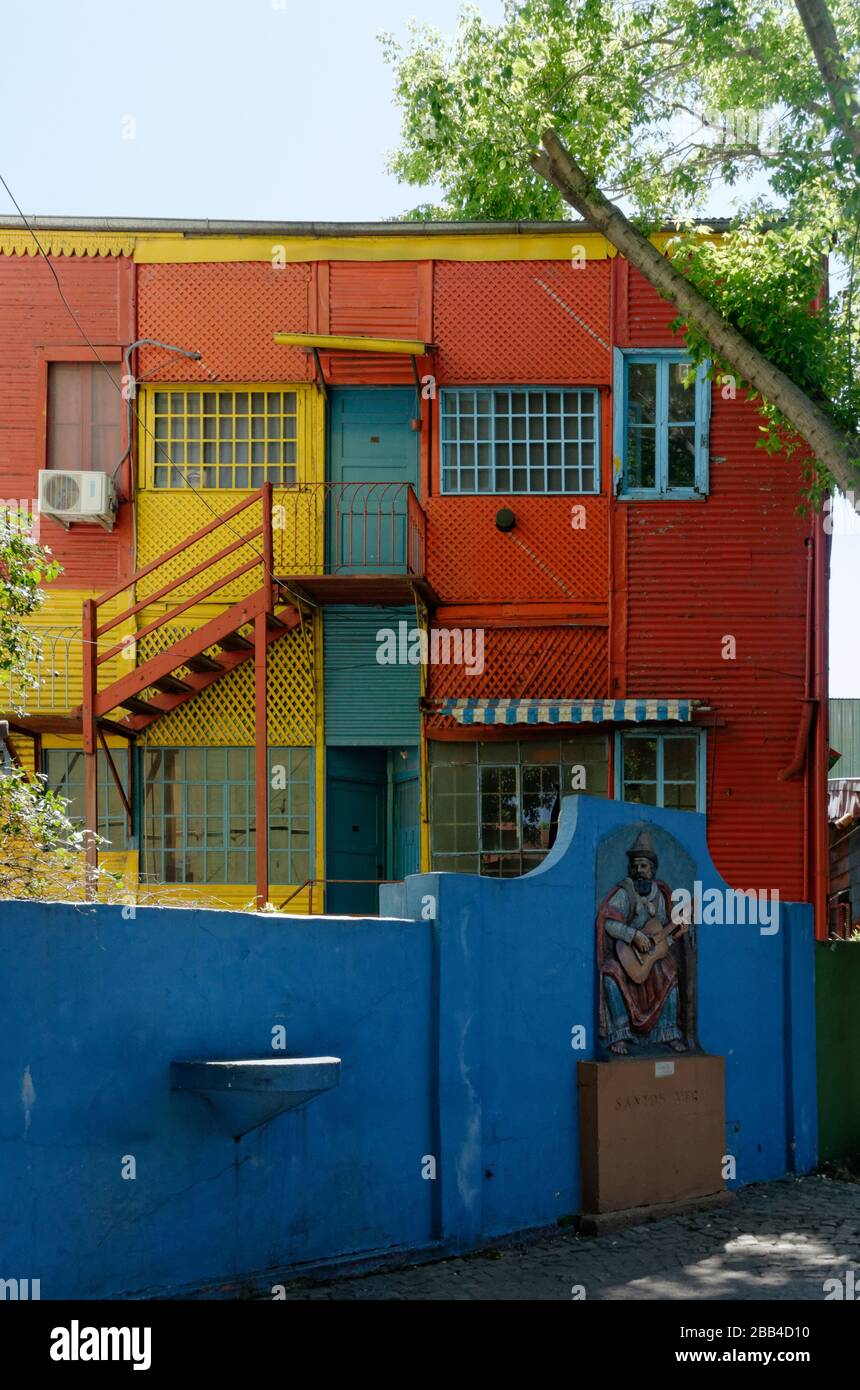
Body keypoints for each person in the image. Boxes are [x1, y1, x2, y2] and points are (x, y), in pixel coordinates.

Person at [596, 829, 690, 1056]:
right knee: (610, 974)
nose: (639, 871)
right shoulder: (625, 892)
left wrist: (676, 934)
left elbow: (661, 938)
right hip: (626, 953)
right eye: (635, 866)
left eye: (644, 866)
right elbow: (608, 922)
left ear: (653, 870)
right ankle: (619, 1034)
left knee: (669, 972)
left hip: (649, 960)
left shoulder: (661, 895)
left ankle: (667, 1033)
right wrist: (634, 936)